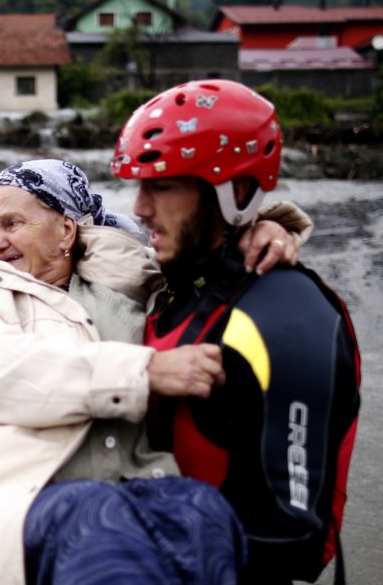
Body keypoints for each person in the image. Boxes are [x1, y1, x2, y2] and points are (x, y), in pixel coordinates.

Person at [0, 158, 310, 585]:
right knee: (99, 527)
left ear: (67, 230)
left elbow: (202, 252)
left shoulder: (133, 280)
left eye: (11, 223)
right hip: (16, 493)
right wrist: (145, 371)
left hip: (133, 479)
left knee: (204, 515)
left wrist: (261, 231)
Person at [111, 79, 361, 584]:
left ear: (235, 191)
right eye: (138, 185)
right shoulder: (172, 284)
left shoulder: (288, 317)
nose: (139, 208)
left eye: (161, 186)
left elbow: (292, 540)